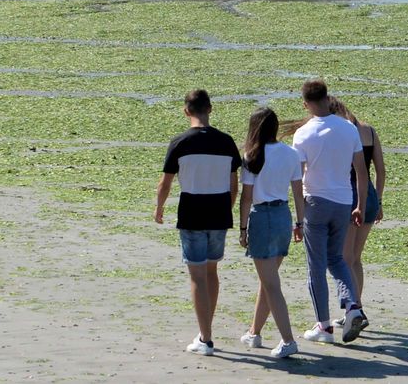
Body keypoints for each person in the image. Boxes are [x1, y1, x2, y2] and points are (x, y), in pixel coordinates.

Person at [155, 89, 241, 356]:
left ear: (186, 111)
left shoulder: (180, 142)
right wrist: (227, 208)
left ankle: (205, 337)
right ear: (210, 109)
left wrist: (159, 208)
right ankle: (206, 330)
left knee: (196, 276)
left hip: (192, 212)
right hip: (218, 212)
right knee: (211, 272)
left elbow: (165, 183)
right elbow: (233, 184)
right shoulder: (226, 142)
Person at [289, 79, 370, 344]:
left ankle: (323, 326)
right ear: (327, 97)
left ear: (305, 103)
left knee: (316, 266)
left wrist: (298, 218)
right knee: (337, 259)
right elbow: (360, 170)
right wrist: (360, 204)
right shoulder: (348, 128)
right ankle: (352, 306)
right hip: (344, 202)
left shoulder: (302, 133)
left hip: (316, 202)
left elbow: (298, 178)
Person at [237, 107, 305, 360]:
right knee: (268, 280)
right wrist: (300, 223)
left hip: (262, 217)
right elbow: (298, 192)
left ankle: (288, 339)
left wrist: (243, 228)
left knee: (271, 284)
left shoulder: (252, 155)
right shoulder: (291, 154)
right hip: (283, 216)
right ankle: (254, 332)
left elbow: (246, 198)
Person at [329, 97, 384, 321]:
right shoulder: (369, 130)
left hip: (351, 197)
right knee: (356, 258)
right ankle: (356, 307)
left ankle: (355, 309)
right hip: (369, 194)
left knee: (345, 257)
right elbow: (381, 170)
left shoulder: (342, 132)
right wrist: (378, 201)